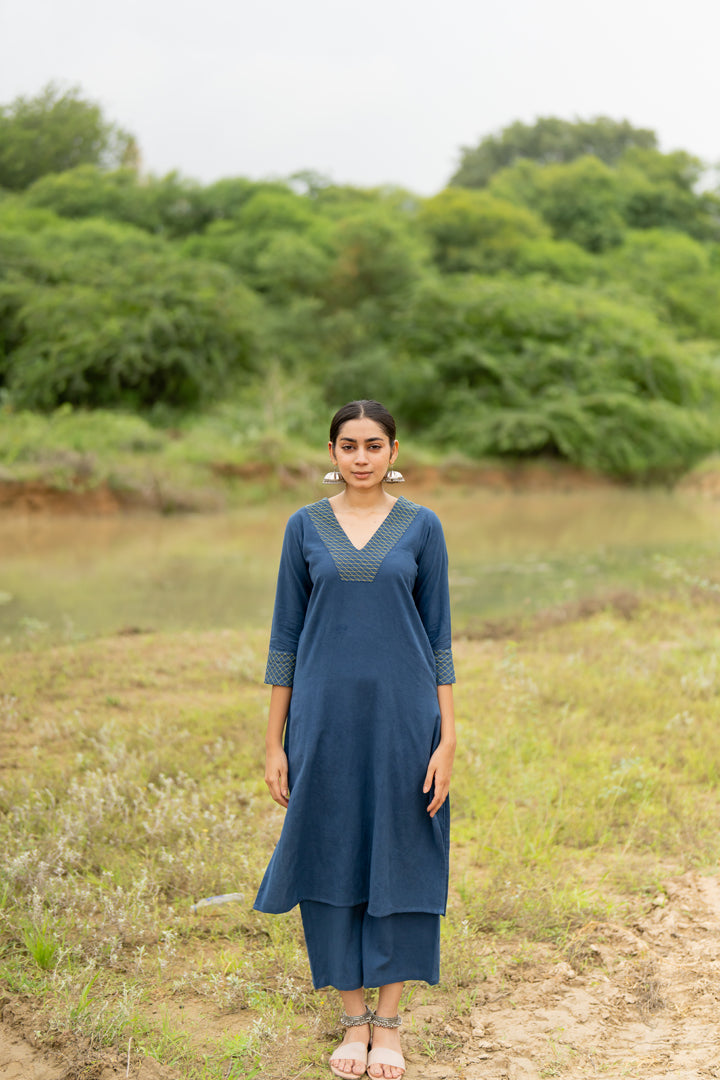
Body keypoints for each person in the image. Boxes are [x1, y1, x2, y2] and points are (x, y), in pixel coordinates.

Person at [254, 400, 456, 1080]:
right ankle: (351, 1017)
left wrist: (447, 737)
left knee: (404, 849)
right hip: (324, 719)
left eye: (374, 444)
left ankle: (390, 1021)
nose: (361, 456)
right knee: (330, 851)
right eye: (349, 445)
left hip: (404, 721)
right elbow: (285, 639)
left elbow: (439, 641)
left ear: (394, 452)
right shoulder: (302, 527)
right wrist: (274, 740)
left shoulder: (422, 528)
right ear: (332, 452)